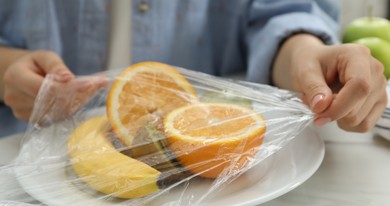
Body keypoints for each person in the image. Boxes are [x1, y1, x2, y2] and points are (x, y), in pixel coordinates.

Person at [0, 0, 387, 138]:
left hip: (216, 185)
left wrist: (307, 56)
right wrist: (7, 70)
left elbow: (280, 14)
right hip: (22, 178)